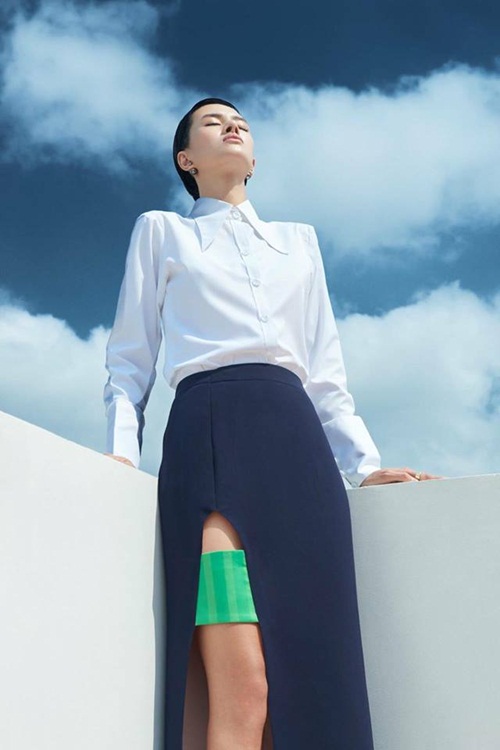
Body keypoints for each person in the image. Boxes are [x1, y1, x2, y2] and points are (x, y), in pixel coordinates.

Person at [103, 97, 439, 749]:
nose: (232, 125)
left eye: (241, 123)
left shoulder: (299, 243)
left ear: (253, 159)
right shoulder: (161, 232)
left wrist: (365, 467)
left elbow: (326, 375)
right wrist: (121, 454)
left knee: (313, 679)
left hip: (299, 452)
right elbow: (128, 359)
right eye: (212, 122)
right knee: (243, 688)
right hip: (210, 441)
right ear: (186, 159)